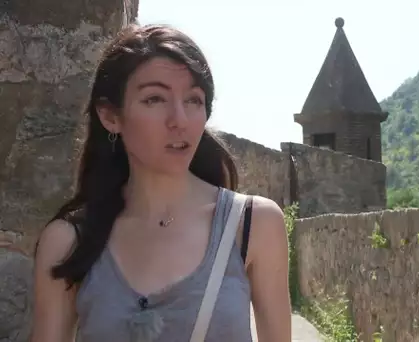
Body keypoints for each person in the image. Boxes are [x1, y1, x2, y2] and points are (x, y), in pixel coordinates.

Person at [31, 24, 291, 342]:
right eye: (154, 99)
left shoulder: (253, 225)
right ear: (111, 116)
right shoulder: (67, 241)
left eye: (193, 100)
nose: (179, 119)